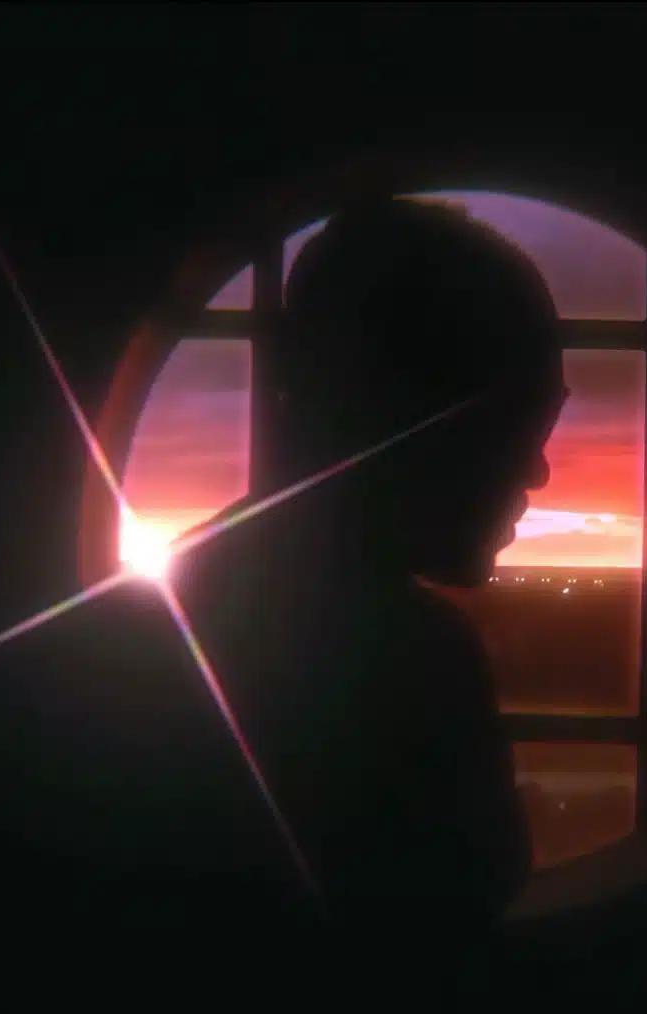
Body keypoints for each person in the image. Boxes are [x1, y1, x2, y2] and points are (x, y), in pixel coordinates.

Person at [170, 197, 568, 967]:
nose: (538, 470)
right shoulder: (423, 658)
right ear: (397, 412)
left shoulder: (179, 610)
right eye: (514, 424)